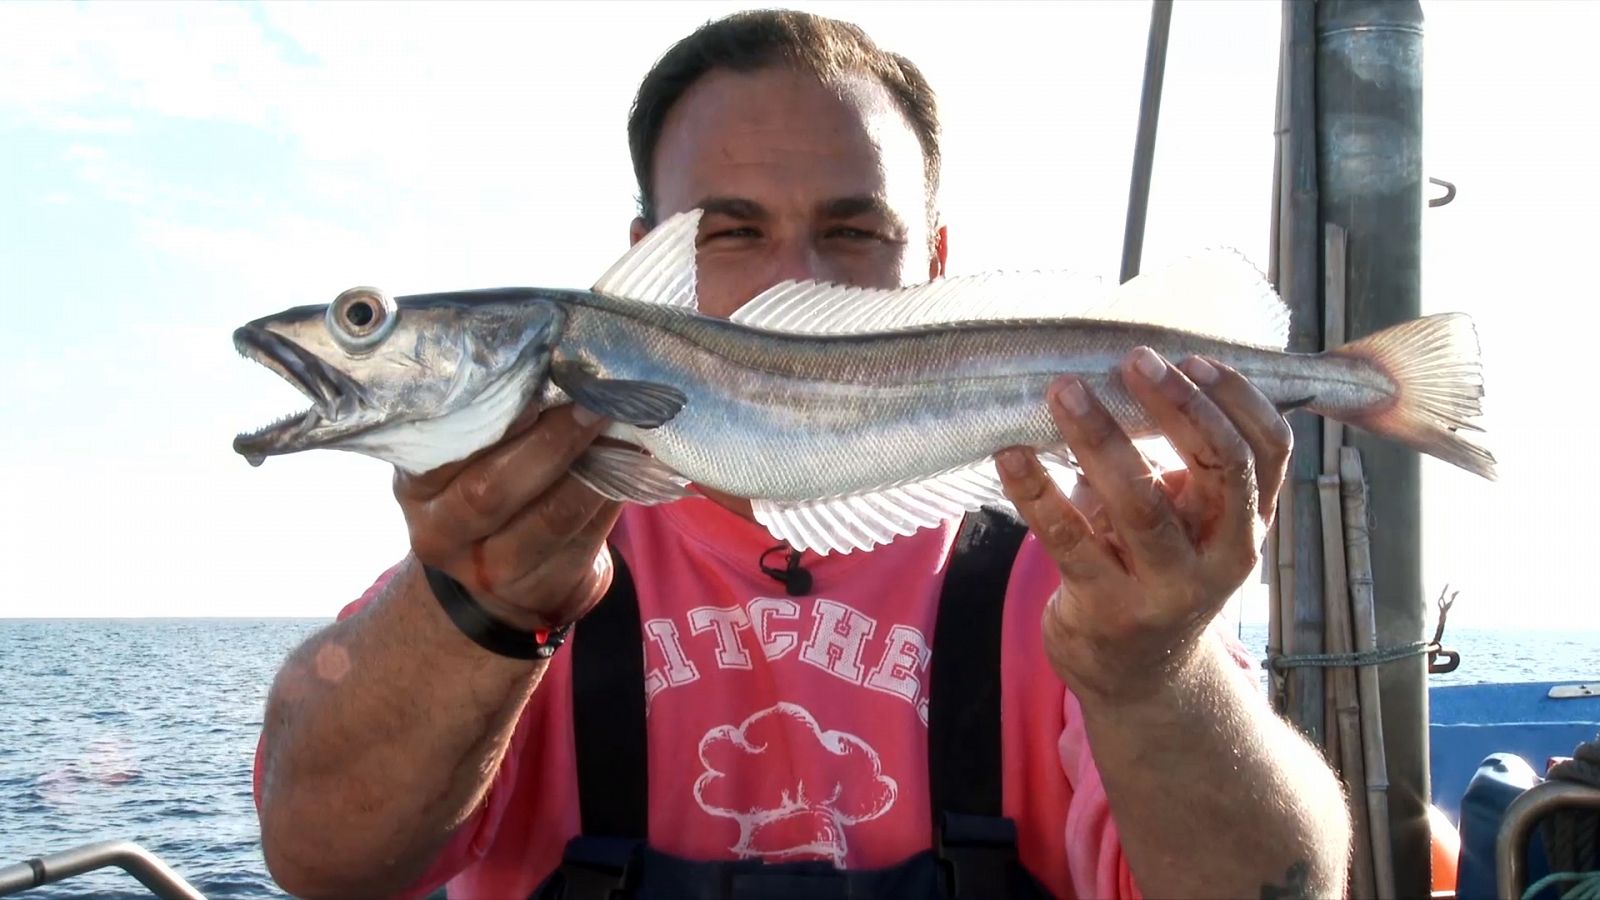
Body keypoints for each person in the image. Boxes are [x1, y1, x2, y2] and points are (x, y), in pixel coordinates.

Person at [253, 9, 1351, 899]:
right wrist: (471, 617)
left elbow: (1280, 888)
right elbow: (323, 863)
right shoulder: (511, 546)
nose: (796, 280)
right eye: (729, 232)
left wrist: (1151, 670)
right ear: (644, 264)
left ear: (937, 261)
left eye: (857, 230)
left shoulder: (1089, 569)